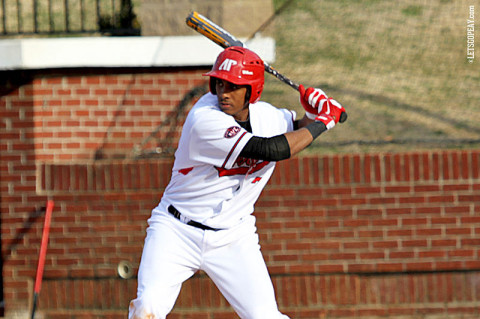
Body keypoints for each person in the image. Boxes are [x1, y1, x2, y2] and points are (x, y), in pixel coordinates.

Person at [128, 46, 347, 319]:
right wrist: (325, 122)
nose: (224, 93)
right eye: (220, 83)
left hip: (234, 236)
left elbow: (297, 129)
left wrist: (314, 113)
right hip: (176, 231)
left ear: (252, 90)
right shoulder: (204, 120)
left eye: (233, 86)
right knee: (147, 308)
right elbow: (273, 150)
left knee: (266, 316)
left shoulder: (268, 117)